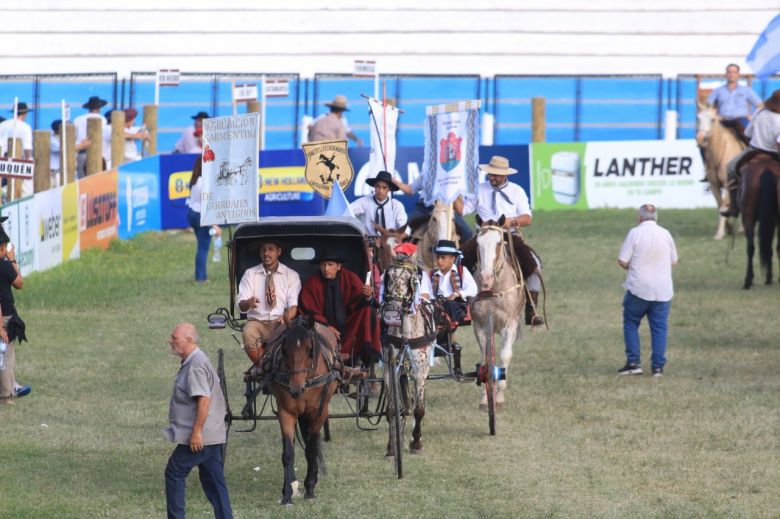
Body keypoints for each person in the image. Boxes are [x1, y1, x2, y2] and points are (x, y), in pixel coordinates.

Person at [455, 155, 544, 327]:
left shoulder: (517, 191)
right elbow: (463, 210)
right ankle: (462, 306)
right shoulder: (479, 189)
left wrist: (510, 222)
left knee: (534, 265)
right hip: (483, 236)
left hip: (508, 235)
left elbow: (527, 218)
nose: (492, 177)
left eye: (496, 174)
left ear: (505, 175)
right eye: (491, 173)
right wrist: (453, 193)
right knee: (459, 261)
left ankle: (531, 310)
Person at [164, 323, 233, 519]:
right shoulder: (197, 360)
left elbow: (204, 399)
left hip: (201, 437)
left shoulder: (195, 365)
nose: (170, 341)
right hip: (212, 436)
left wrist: (196, 433)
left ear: (189, 340)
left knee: (174, 472)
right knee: (215, 483)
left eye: (174, 338)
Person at [617, 204, 678, 377]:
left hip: (638, 288)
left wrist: (634, 266)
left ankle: (633, 362)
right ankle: (658, 367)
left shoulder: (635, 233)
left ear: (640, 217)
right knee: (659, 328)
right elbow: (674, 261)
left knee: (631, 323)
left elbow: (622, 260)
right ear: (656, 217)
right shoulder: (666, 234)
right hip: (663, 290)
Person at [298, 248, 380, 365]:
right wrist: (326, 326)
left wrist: (368, 296)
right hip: (321, 327)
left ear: (339, 266)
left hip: (348, 324)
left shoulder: (350, 278)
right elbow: (307, 309)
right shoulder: (312, 283)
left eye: (330, 264)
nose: (326, 269)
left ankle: (366, 357)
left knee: (369, 310)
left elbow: (360, 302)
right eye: (323, 265)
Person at [237, 238, 300, 363]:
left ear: (279, 252)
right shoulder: (250, 274)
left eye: (271, 249)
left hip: (280, 321)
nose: (266, 253)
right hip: (258, 322)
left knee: (295, 339)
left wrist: (284, 318)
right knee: (248, 333)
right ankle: (263, 367)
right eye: (263, 250)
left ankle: (286, 367)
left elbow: (293, 306)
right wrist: (248, 302)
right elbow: (241, 304)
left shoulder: (291, 275)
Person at [720, 89, 780, 217]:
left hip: (754, 150)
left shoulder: (759, 113)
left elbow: (747, 133)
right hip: (775, 153)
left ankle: (733, 206)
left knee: (730, 167)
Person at [421, 240, 478, 352]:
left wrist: (458, 293)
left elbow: (473, 289)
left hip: (454, 305)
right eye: (438, 257)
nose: (439, 261)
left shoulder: (462, 271)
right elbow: (430, 293)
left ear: (452, 259)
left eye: (443, 258)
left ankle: (443, 325)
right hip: (437, 306)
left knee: (449, 304)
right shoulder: (433, 275)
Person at [395, 174, 474, 242]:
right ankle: (403, 256)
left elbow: (460, 204)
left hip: (447, 209)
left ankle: (460, 258)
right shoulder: (426, 172)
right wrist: (394, 181)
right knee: (400, 228)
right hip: (423, 208)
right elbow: (411, 189)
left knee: (467, 233)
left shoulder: (452, 175)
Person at [0, 228, 30, 405]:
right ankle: (5, 395)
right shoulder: (4, 266)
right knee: (6, 357)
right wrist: (12, 258)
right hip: (5, 317)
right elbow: (19, 282)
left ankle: (11, 386)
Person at [707, 64, 762, 144]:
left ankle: (751, 154)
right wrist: (714, 115)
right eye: (729, 72)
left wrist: (753, 117)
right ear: (726, 74)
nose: (731, 74)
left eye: (734, 72)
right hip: (722, 120)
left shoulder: (746, 90)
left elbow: (760, 105)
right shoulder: (717, 91)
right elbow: (708, 106)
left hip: (741, 120)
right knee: (706, 138)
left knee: (752, 138)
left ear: (738, 74)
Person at [185, 158, 219, 282]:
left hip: (192, 214)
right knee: (203, 248)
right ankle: (201, 277)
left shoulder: (195, 180)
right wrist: (214, 225)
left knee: (201, 247)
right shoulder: (204, 182)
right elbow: (206, 205)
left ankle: (201, 275)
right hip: (201, 216)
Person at [349, 170, 407, 236]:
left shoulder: (397, 206)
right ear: (374, 186)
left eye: (384, 187)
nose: (380, 190)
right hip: (369, 242)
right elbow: (348, 211)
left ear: (389, 189)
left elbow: (405, 229)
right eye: (378, 186)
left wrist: (394, 239)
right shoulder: (364, 202)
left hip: (391, 242)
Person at [49, 119, 91, 186]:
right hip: (55, 172)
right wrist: (82, 145)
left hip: (67, 170)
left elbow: (73, 147)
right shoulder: (51, 139)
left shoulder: (65, 138)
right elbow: (65, 149)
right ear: (59, 130)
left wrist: (82, 144)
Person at [74, 96, 108, 177]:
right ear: (99, 108)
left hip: (81, 151)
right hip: (98, 153)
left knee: (82, 179)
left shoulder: (77, 119)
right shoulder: (102, 119)